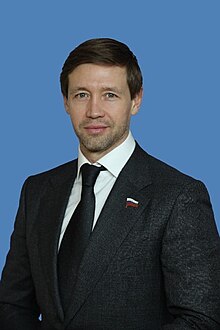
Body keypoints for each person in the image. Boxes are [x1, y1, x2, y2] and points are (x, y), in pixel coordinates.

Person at [0, 38, 220, 330]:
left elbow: (201, 319)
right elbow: (13, 305)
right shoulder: (37, 190)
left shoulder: (179, 196)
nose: (94, 111)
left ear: (136, 100)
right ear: (65, 101)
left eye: (110, 95)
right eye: (81, 94)